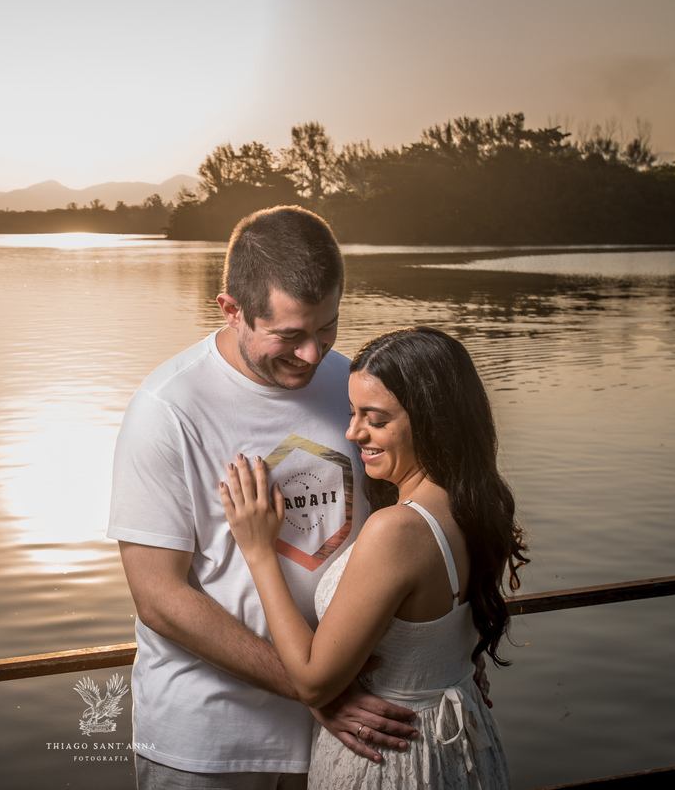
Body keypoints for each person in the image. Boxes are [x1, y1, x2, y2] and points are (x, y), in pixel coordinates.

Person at [108, 206, 419, 789]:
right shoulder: (167, 411)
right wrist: (311, 687)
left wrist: (454, 652)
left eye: (326, 327)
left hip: (346, 737)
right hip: (209, 746)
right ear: (231, 309)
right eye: (289, 335)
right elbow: (158, 596)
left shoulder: (355, 385)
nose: (312, 354)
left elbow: (409, 527)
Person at [220, 326, 529, 788]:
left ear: (431, 420)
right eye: (351, 413)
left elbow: (312, 682)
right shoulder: (477, 503)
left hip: (395, 756)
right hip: (463, 743)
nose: (352, 432)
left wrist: (259, 551)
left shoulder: (397, 530)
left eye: (375, 419)